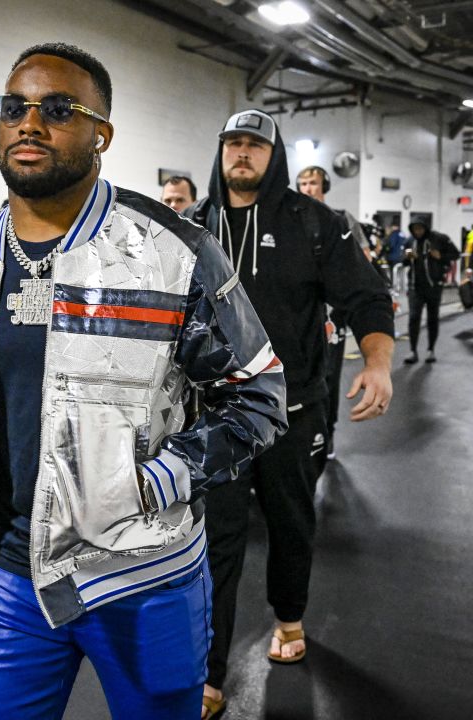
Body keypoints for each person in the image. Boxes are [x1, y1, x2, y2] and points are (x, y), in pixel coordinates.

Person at [0, 44, 288, 720]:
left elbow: (259, 396)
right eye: (13, 107)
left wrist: (150, 483)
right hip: (13, 582)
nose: (30, 124)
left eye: (57, 110)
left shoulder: (172, 254)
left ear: (101, 134)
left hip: (145, 578)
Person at [184, 109, 394, 712]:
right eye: (233, 144)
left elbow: (368, 298)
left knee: (290, 523)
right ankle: (211, 671)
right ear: (220, 152)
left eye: (255, 144)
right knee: (215, 542)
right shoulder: (194, 227)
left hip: (290, 410)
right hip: (214, 416)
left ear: (272, 156)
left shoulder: (313, 224)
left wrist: (376, 364)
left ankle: (291, 619)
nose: (242, 154)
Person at [294, 165, 367, 460]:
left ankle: (328, 433)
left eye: (312, 183)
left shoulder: (340, 219)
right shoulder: (290, 219)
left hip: (332, 315)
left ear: (324, 185)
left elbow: (362, 263)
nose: (307, 188)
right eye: (302, 183)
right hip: (298, 314)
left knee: (329, 375)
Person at [401, 218, 461, 364]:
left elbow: (456, 254)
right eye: (415, 229)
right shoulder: (410, 242)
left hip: (434, 286)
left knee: (432, 318)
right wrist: (408, 257)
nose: (418, 232)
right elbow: (404, 261)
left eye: (420, 229)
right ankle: (412, 351)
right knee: (414, 318)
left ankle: (430, 350)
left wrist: (440, 256)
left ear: (425, 228)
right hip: (415, 286)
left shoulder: (439, 239)